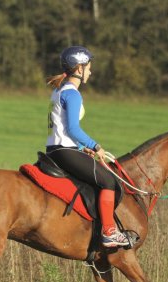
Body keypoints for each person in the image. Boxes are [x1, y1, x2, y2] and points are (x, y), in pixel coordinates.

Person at [45, 46, 129, 248]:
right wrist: (96, 146)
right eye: (89, 67)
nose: (91, 72)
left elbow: (63, 128)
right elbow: (73, 129)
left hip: (57, 149)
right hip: (64, 151)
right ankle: (109, 232)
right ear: (79, 69)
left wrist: (82, 148)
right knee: (109, 181)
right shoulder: (72, 94)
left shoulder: (58, 90)